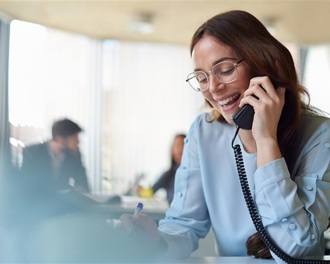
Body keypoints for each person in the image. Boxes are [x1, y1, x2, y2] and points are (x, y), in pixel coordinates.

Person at [119, 10, 330, 263]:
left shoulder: (321, 134)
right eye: (201, 77)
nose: (213, 88)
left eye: (225, 69)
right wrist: (156, 241)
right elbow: (184, 223)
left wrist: (265, 141)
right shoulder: (204, 131)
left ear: (263, 64)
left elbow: (292, 250)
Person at [21, 118, 90, 193]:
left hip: (63, 202)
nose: (78, 141)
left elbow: (83, 185)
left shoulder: (74, 154)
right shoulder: (32, 152)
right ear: (60, 139)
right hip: (36, 201)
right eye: (74, 138)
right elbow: (26, 184)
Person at [139, 134, 186, 204]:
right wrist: (139, 190)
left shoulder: (197, 174)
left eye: (183, 145)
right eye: (177, 146)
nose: (180, 150)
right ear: (172, 150)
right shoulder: (169, 174)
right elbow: (150, 192)